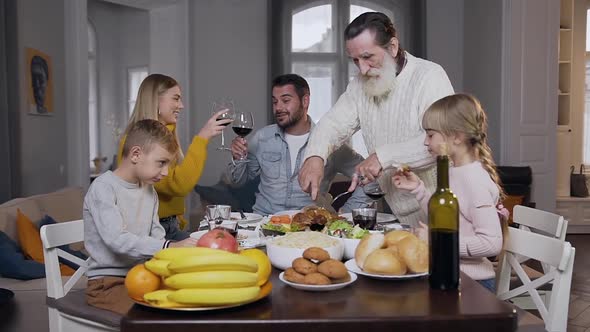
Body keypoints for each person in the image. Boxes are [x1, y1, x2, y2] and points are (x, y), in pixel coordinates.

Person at [298, 12, 454, 226]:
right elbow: (333, 124)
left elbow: (442, 143)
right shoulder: (359, 86)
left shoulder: (429, 76)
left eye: (368, 57)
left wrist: (382, 157)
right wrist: (314, 157)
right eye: (355, 60)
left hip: (443, 207)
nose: (362, 69)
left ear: (392, 47)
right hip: (396, 210)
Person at [391, 93, 507, 292]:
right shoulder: (455, 170)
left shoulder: (474, 180)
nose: (426, 143)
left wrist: (437, 241)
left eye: (430, 134)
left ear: (456, 137)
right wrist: (419, 189)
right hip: (451, 273)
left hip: (472, 284)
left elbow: (491, 243)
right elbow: (447, 219)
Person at [84, 119, 198, 314]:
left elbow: (156, 237)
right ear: (136, 154)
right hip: (108, 284)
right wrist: (168, 246)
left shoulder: (149, 191)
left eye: (168, 165)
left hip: (142, 275)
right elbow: (117, 240)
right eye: (161, 163)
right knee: (155, 316)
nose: (165, 172)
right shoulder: (103, 188)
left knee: (191, 299)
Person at [227, 74, 371, 215]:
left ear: (305, 101)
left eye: (286, 100)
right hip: (265, 223)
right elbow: (238, 182)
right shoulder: (262, 138)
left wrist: (347, 212)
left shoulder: (328, 142)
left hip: (307, 227)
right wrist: (238, 157)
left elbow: (371, 179)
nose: (278, 108)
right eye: (275, 101)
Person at [117, 73, 231, 240]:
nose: (181, 105)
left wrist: (176, 220)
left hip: (168, 226)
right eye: (176, 99)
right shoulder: (137, 142)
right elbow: (178, 185)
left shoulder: (165, 135)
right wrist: (202, 138)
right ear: (156, 100)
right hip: (152, 232)